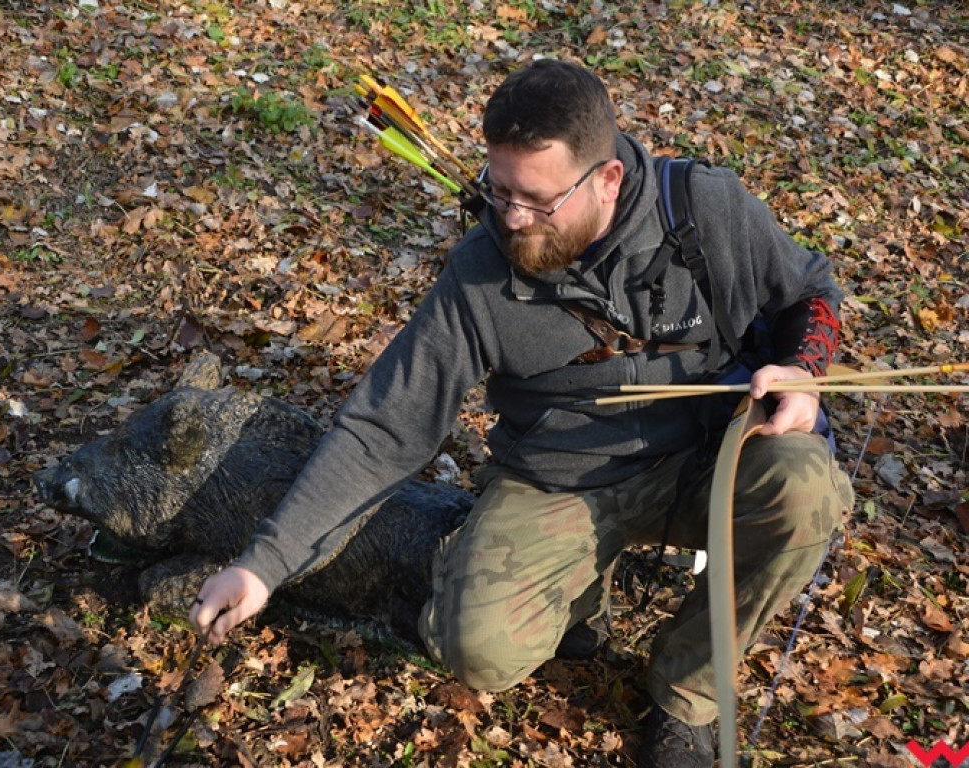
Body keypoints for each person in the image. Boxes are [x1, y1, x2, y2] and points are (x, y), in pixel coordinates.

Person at [191, 59, 853, 766]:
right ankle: (577, 594)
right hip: (558, 478)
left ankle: (686, 694)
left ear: (607, 180)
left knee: (806, 488)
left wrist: (804, 373)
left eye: (537, 200)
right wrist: (264, 565)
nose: (511, 217)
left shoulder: (705, 209)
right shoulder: (480, 269)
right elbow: (384, 427)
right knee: (473, 649)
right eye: (500, 189)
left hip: (706, 459)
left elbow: (810, 293)